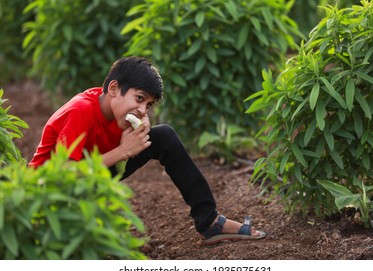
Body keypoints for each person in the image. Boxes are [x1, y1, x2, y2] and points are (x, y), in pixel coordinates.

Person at [29, 56, 266, 245]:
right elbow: (63, 173)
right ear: (113, 88)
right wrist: (123, 151)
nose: (143, 110)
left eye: (149, 105)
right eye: (139, 98)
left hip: (90, 176)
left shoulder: (118, 110)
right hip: (48, 189)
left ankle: (209, 221)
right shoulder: (81, 111)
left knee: (164, 136)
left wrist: (136, 133)